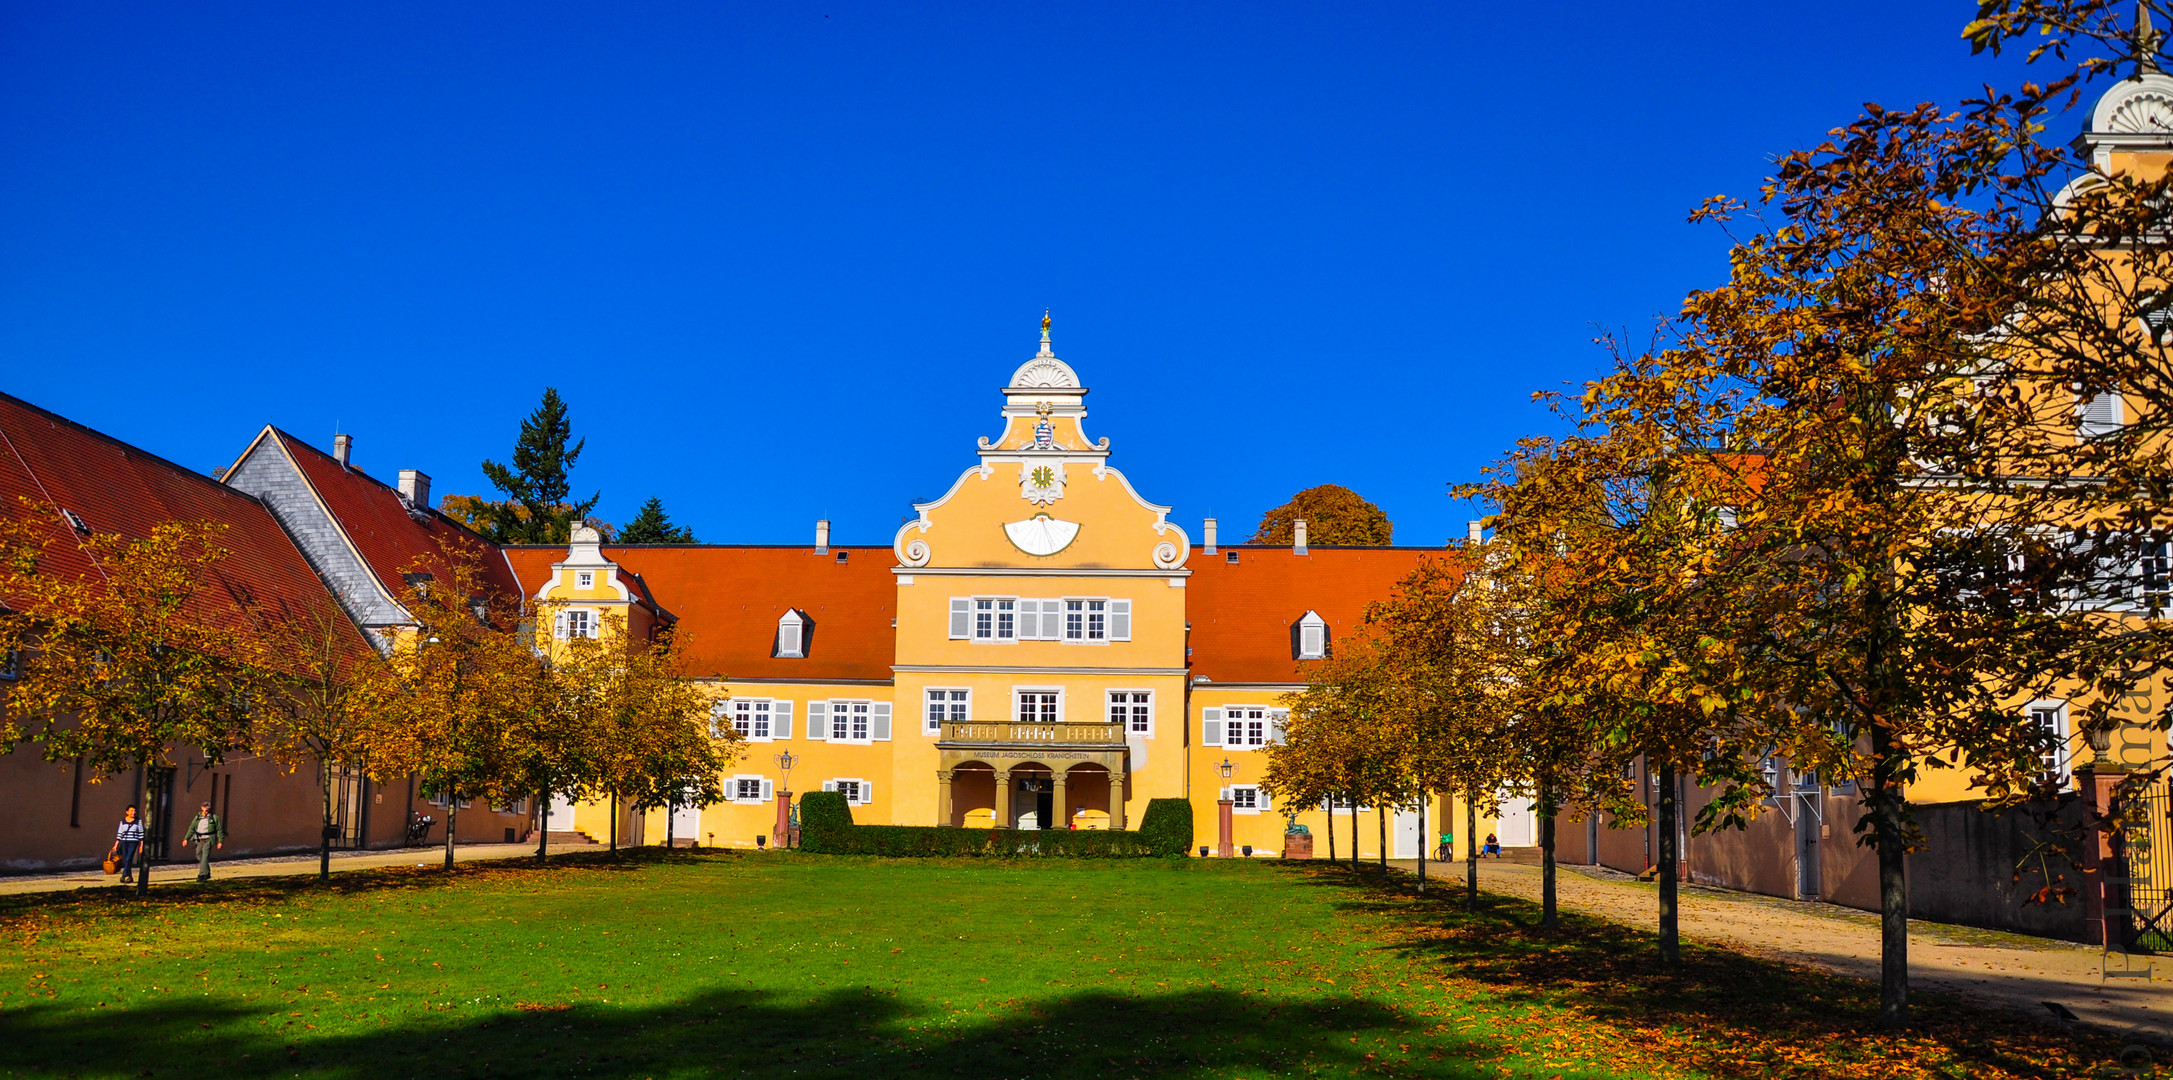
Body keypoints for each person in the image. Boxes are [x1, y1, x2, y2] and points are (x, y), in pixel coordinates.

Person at [183, 801, 224, 882]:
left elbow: (219, 830)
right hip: (199, 839)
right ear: (201, 809)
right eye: (204, 810)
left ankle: (201, 875)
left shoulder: (214, 818)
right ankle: (207, 872)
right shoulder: (197, 818)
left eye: (207, 810)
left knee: (205, 857)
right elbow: (191, 828)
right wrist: (186, 839)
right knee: (199, 855)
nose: (205, 812)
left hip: (208, 839)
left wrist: (220, 841)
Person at [110, 805, 144, 885]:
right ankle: (129, 876)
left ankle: (124, 875)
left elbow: (141, 834)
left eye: (134, 811)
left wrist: (141, 845)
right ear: (127, 812)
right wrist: (116, 845)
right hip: (124, 841)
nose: (133, 812)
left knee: (129, 858)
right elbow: (119, 833)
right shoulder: (122, 821)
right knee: (125, 859)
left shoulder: (138, 821)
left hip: (133, 842)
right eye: (131, 811)